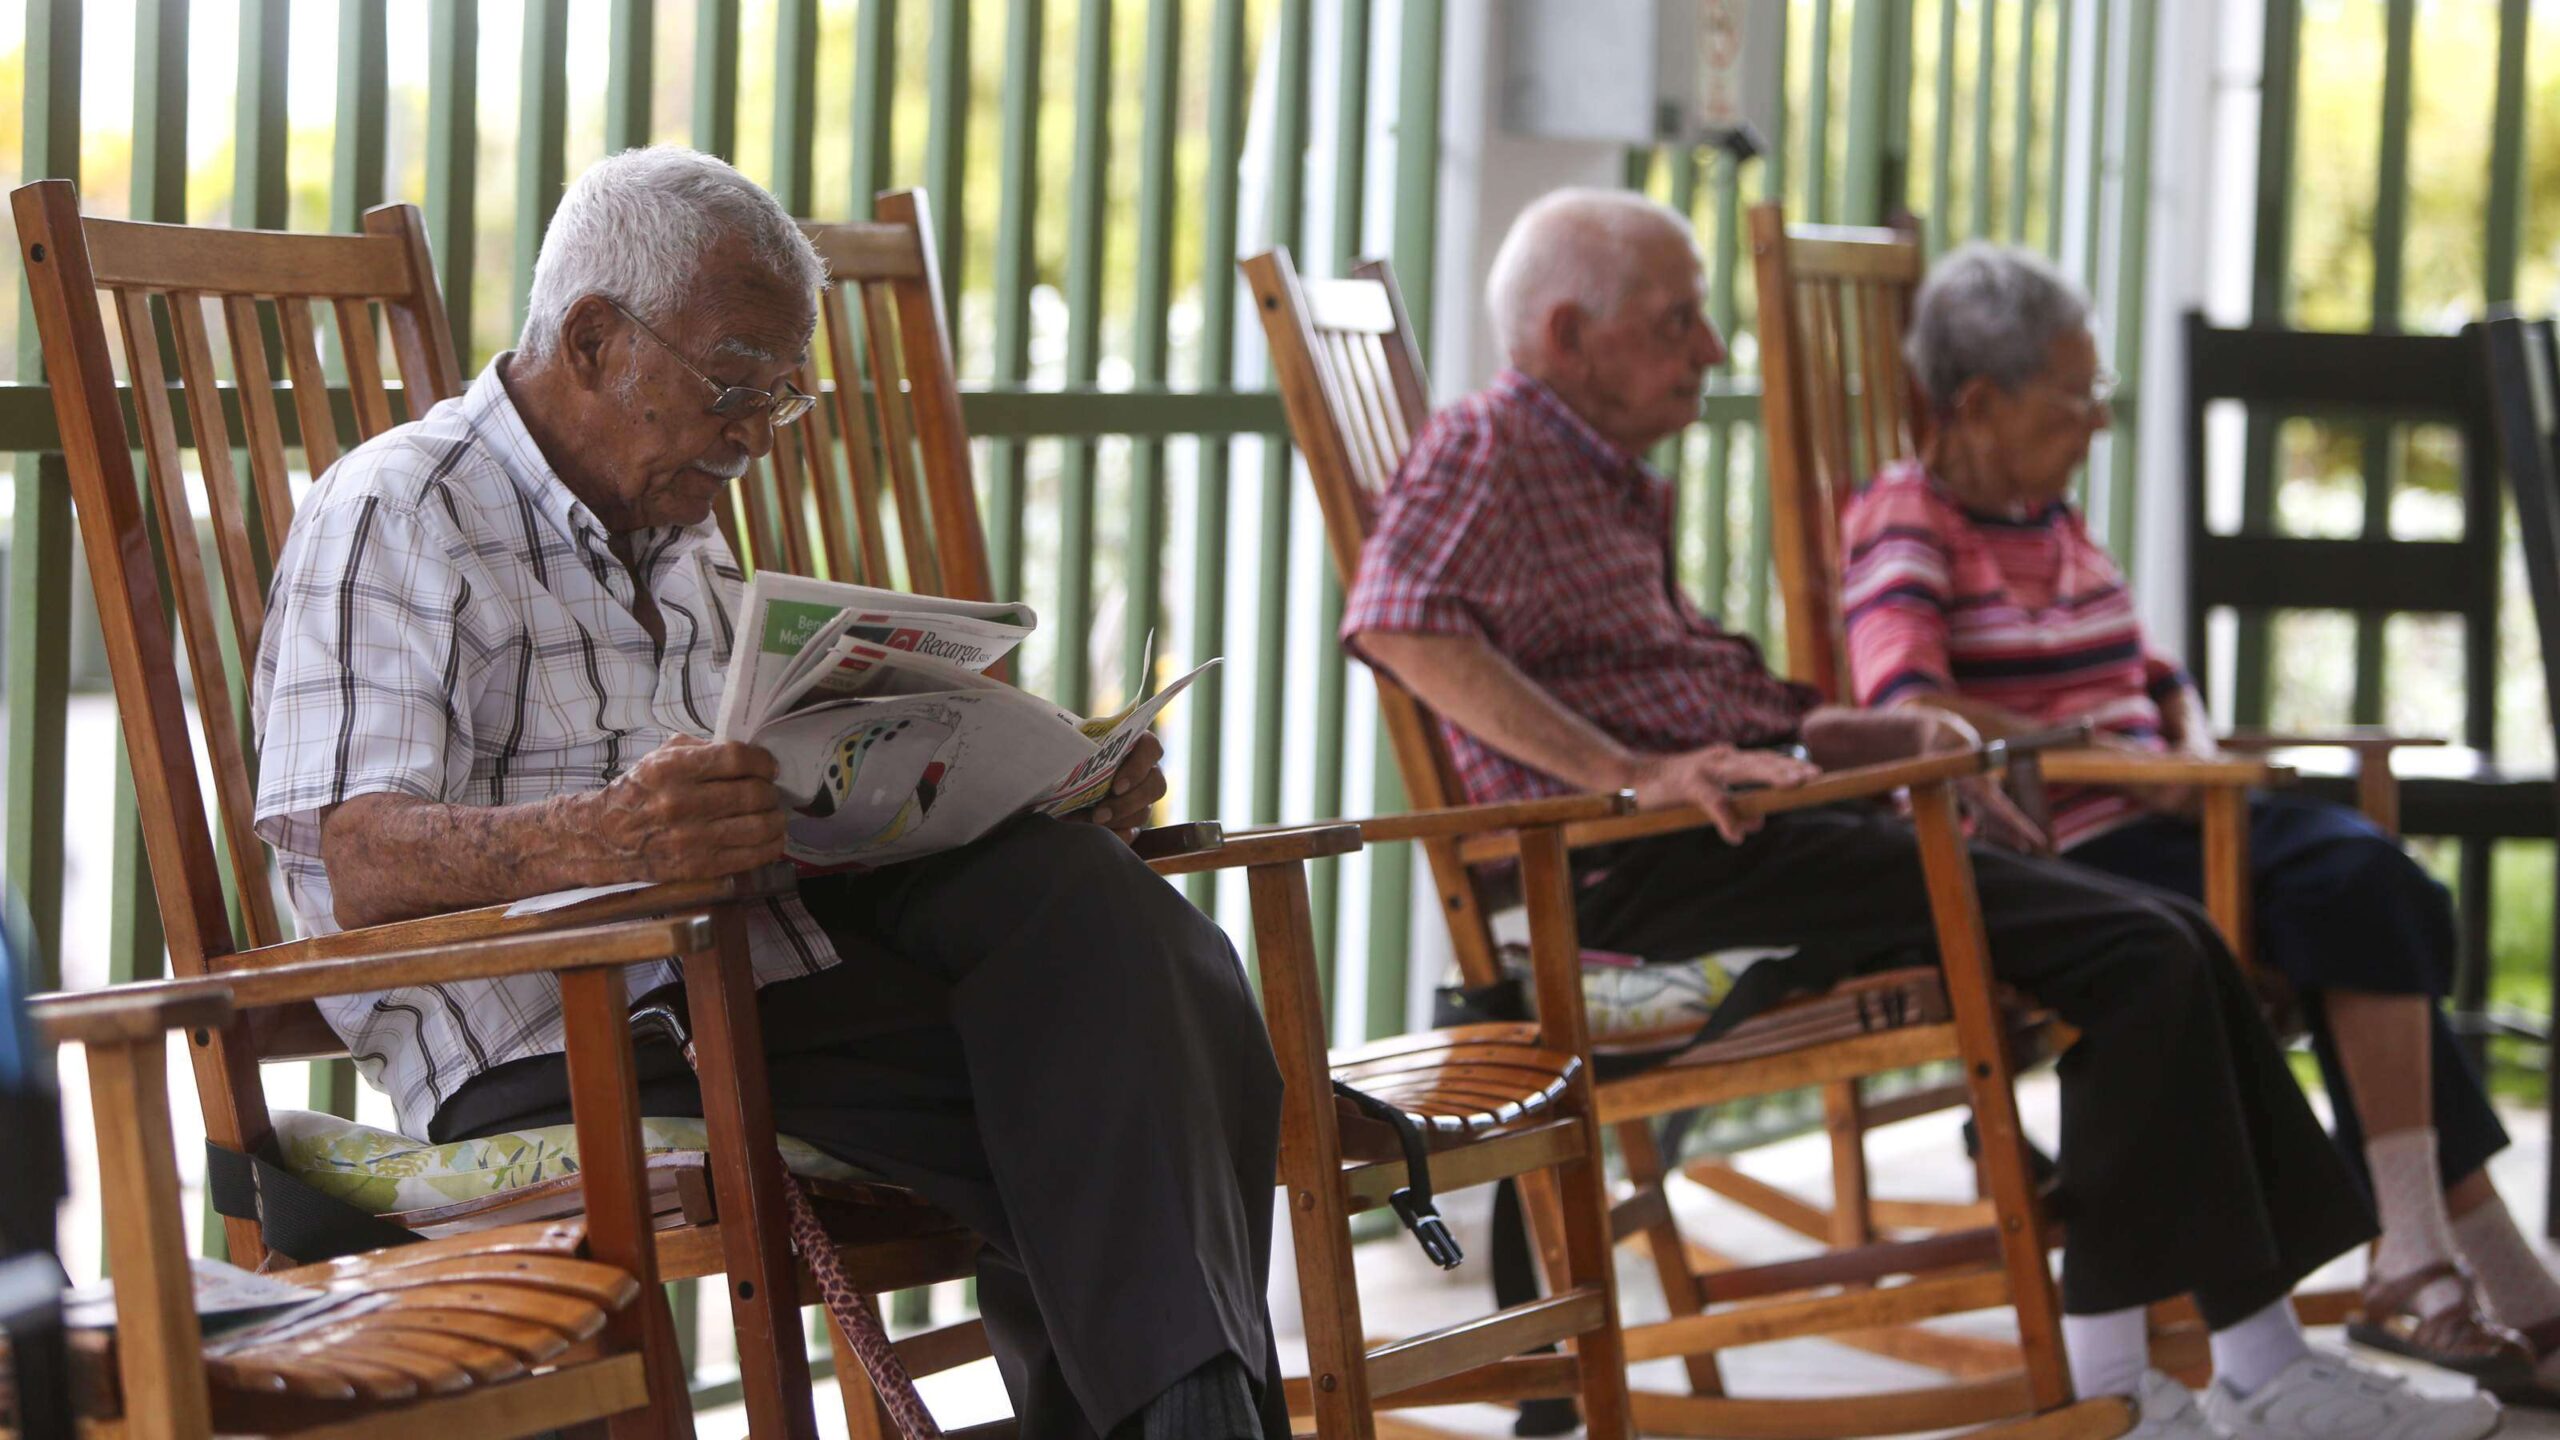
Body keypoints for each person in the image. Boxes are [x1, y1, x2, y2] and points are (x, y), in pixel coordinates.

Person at [1340, 186, 2500, 1440]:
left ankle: (2229, 1371)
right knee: (2142, 948)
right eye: (1680, 322)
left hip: (1755, 829)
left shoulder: (1601, 478)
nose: (1713, 350)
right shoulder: (1489, 443)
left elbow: (1697, 700)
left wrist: (1857, 731)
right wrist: (1630, 772)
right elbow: (1398, 619)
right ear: (1565, 337)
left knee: (2156, 939)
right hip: (1647, 882)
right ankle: (2179, 1384)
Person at [250, 146, 1286, 1440]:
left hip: (745, 986)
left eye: (778, 398)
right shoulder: (402, 510)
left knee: (1107, 927)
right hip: (564, 1031)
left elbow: (772, 791)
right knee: (1114, 1084)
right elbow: (357, 859)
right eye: (734, 383)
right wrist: (609, 835)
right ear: (589, 340)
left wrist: (1036, 786)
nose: (750, 434)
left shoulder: (674, 526)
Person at [1840, 239, 2560, 1402]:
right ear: (1975, 403)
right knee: (2350, 895)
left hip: (2168, 814)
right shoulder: (1906, 521)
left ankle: (2424, 1257)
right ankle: (2451, 1264)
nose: (2097, 423)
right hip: (2066, 854)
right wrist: (2125, 764)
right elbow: (1904, 705)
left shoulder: (2052, 519)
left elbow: (2141, 665)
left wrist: (2176, 722)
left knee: (2370, 886)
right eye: (2077, 398)